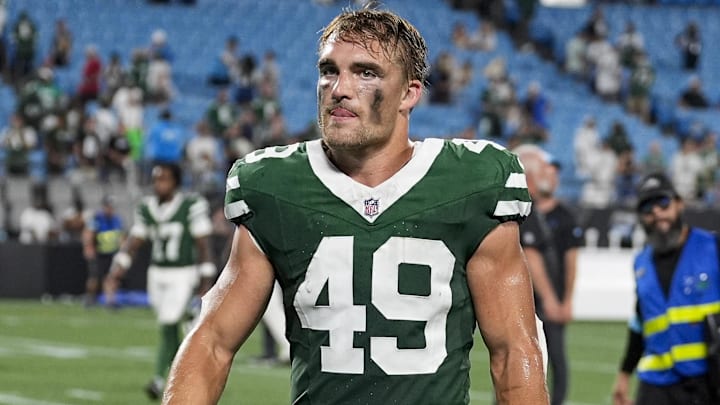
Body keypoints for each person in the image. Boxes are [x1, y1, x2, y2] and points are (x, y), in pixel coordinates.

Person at [163, 7, 548, 405]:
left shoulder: (472, 182)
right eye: (329, 70)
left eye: (366, 73)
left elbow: (514, 352)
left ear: (409, 93)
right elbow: (212, 343)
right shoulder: (275, 187)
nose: (339, 88)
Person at [103, 162, 216, 400]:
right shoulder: (147, 207)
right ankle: (184, 376)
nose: (158, 184)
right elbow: (135, 241)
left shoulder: (190, 205)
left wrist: (206, 277)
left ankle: (157, 380)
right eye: (156, 179)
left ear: (175, 181)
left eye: (163, 179)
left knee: (167, 323)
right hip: (157, 273)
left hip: (182, 272)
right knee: (170, 326)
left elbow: (203, 243)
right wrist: (117, 270)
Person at [612, 172, 720, 405]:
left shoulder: (713, 247)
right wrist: (624, 373)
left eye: (663, 203)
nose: (656, 213)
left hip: (707, 381)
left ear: (679, 204)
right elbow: (640, 322)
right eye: (647, 208)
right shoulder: (641, 264)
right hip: (657, 384)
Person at [515, 144, 582, 405]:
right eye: (546, 170)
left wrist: (564, 300)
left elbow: (571, 261)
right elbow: (532, 259)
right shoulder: (527, 211)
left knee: (553, 358)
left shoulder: (563, 216)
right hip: (527, 300)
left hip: (544, 301)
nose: (550, 175)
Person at [82, 195, 124, 306]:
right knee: (94, 278)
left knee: (110, 278)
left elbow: (120, 237)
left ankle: (110, 301)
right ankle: (90, 298)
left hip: (111, 254)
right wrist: (89, 248)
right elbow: (88, 234)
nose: (110, 209)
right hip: (98, 253)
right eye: (108, 207)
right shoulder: (97, 219)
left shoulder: (116, 220)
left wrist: (122, 252)